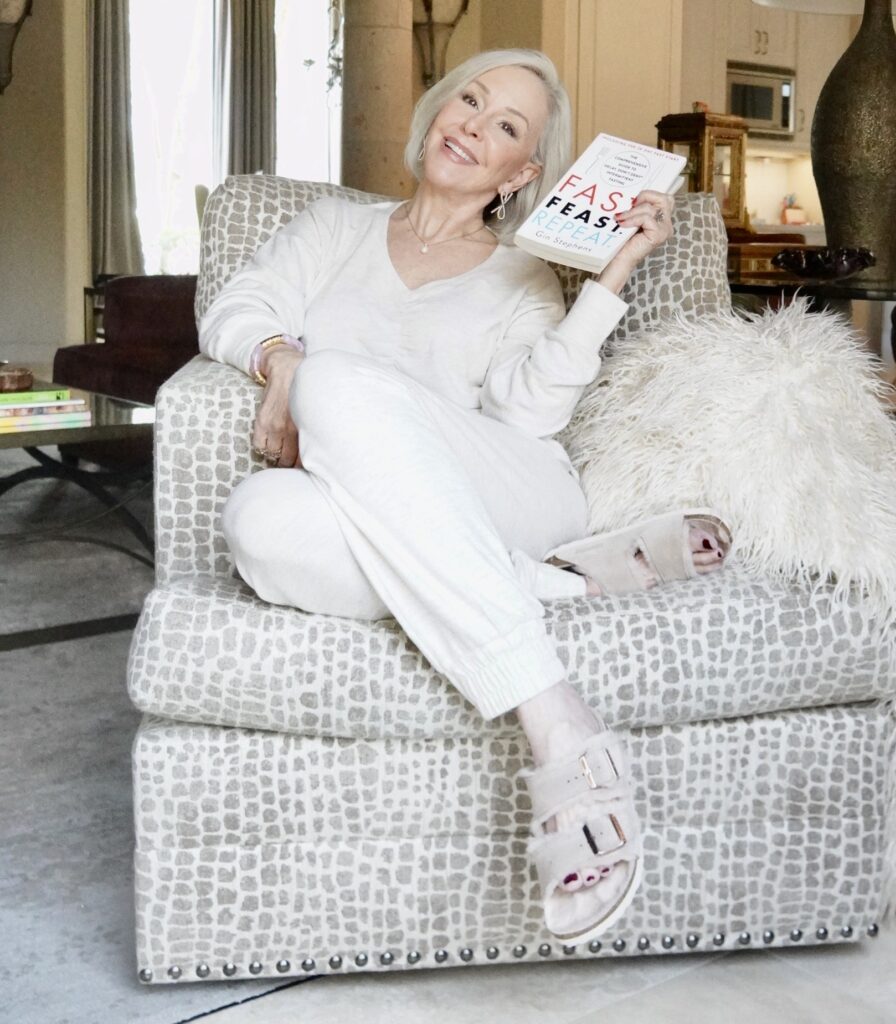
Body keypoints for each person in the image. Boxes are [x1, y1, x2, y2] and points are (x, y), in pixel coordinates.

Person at [198, 48, 731, 945]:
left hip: (512, 484)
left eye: (506, 126)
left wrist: (612, 276)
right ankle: (553, 585)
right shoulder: (335, 227)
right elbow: (236, 308)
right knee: (258, 519)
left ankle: (557, 721)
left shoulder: (521, 274)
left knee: (336, 381)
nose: (474, 126)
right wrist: (279, 361)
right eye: (468, 102)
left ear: (520, 173)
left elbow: (529, 412)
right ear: (434, 114)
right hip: (409, 521)